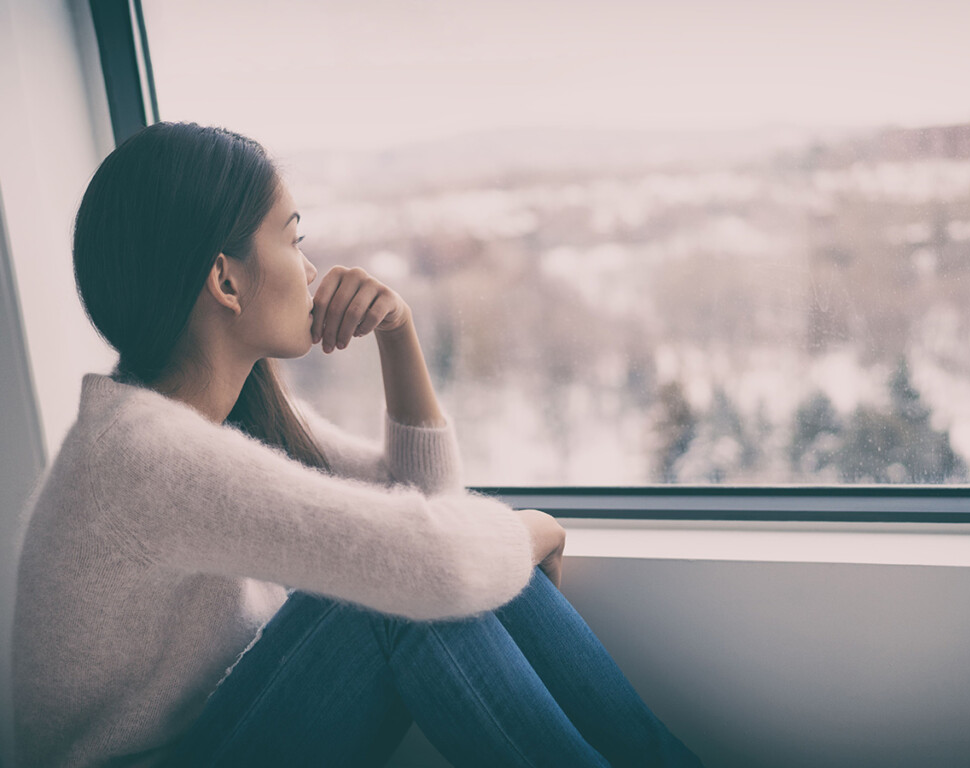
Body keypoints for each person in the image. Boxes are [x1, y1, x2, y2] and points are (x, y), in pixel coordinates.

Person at [12, 121, 704, 768]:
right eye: (292, 239)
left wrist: (399, 336)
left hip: (225, 732)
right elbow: (435, 564)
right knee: (402, 589)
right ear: (225, 280)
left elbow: (425, 509)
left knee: (430, 570)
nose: (310, 269)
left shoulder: (220, 416)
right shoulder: (143, 456)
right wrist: (533, 530)